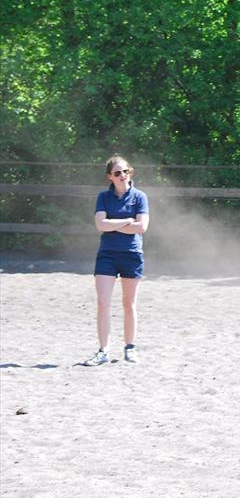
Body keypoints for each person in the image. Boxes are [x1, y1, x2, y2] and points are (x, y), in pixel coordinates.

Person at [81, 155, 149, 366]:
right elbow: (100, 225)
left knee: (129, 304)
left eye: (125, 172)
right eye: (117, 173)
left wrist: (115, 223)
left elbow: (142, 227)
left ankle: (130, 347)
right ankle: (103, 350)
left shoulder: (140, 197)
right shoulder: (103, 197)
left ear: (131, 172)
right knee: (103, 303)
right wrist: (128, 221)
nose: (122, 176)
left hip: (132, 254)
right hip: (107, 254)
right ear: (110, 176)